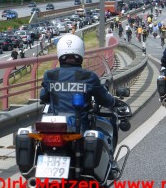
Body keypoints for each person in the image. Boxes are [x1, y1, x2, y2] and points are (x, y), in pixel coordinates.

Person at [39, 34, 119, 175]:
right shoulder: (88, 77)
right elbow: (105, 100)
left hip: (53, 127)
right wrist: (114, 102)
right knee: (107, 128)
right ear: (80, 52)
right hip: (80, 128)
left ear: (60, 53)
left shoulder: (50, 75)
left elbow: (43, 97)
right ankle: (111, 162)